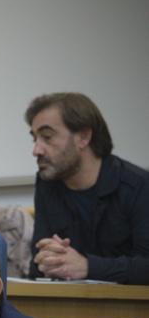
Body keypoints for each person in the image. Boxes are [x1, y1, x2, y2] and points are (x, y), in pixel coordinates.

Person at [26, 92, 149, 284]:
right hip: (69, 307)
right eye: (35, 139)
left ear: (83, 137)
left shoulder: (139, 186)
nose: (36, 150)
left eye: (47, 137)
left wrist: (88, 266)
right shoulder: (47, 183)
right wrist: (48, 260)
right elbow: (37, 264)